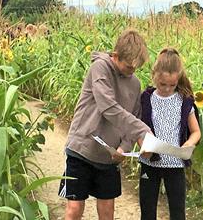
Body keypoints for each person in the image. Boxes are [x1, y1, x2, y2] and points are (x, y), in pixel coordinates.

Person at [60, 29, 152, 220]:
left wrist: (124, 147)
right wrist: (144, 131)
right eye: (128, 67)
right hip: (81, 149)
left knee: (107, 210)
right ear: (115, 56)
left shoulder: (134, 84)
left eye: (136, 69)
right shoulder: (99, 68)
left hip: (108, 157)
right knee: (75, 209)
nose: (132, 72)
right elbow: (108, 107)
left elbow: (133, 116)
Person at [137, 48, 201, 220]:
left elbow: (196, 132)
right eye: (162, 84)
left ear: (178, 79)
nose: (166, 89)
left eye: (172, 85)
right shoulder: (146, 99)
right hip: (149, 163)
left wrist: (189, 144)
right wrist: (142, 145)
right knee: (147, 210)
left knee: (178, 211)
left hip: (175, 164)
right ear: (154, 76)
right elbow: (137, 128)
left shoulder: (184, 100)